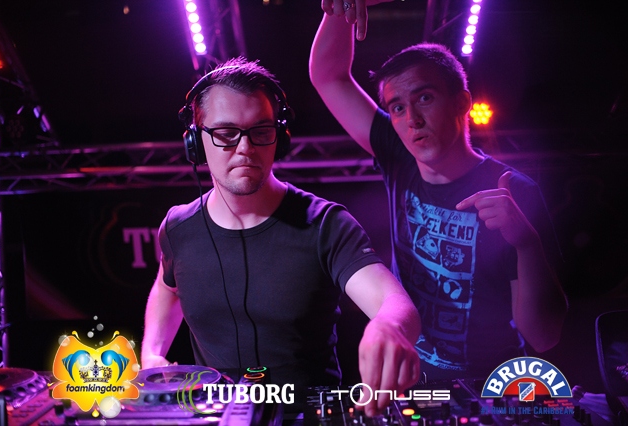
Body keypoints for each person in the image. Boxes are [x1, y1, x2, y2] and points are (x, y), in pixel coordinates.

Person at [140, 57, 421, 416]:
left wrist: (388, 326)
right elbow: (168, 288)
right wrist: (152, 352)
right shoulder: (178, 227)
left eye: (260, 131)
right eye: (226, 134)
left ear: (279, 137)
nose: (245, 148)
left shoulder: (325, 225)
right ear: (196, 141)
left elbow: (394, 303)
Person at [309, 0, 568, 380]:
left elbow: (543, 337)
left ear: (462, 102)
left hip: (490, 385)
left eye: (424, 98)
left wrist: (527, 245)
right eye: (397, 108)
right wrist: (340, 9)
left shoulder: (513, 191)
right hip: (416, 381)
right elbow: (328, 76)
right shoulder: (399, 153)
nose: (411, 119)